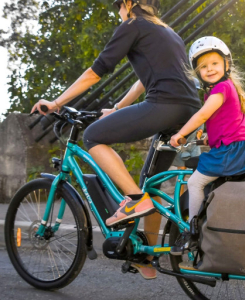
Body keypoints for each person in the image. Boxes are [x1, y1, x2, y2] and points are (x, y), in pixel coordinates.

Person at [30, 0, 201, 279]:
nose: (118, 13)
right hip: (187, 112)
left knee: (93, 135)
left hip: (163, 105)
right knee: (152, 184)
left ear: (129, 3)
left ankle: (134, 199)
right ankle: (145, 252)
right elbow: (144, 80)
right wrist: (119, 108)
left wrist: (57, 102)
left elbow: (94, 72)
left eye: (118, 7)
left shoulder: (132, 24)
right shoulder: (168, 32)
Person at [169, 36, 245, 255]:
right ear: (198, 73)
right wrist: (209, 138)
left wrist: (180, 133)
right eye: (203, 66)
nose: (210, 69)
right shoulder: (227, 87)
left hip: (231, 152)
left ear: (226, 64)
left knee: (195, 183)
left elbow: (203, 114)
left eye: (214, 63)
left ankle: (192, 230)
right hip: (238, 148)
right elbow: (228, 122)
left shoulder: (220, 89)